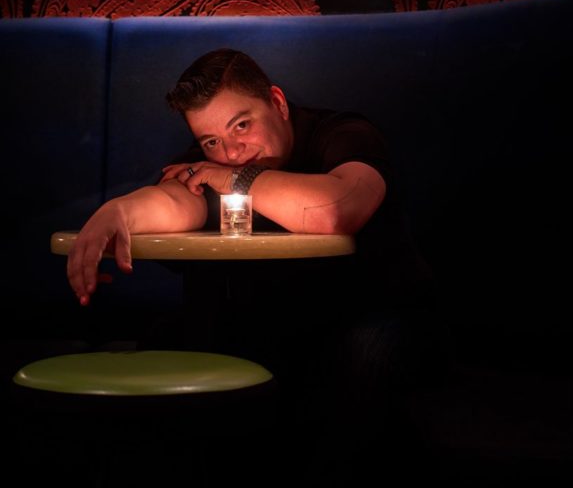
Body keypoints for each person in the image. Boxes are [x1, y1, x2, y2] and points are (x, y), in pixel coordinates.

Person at [67, 48, 442, 485]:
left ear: (277, 103)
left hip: (378, 316)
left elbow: (336, 211)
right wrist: (119, 211)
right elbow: (176, 200)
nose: (231, 152)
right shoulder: (208, 164)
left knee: (362, 353)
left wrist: (232, 178)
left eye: (241, 125)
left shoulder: (343, 134)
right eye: (211, 141)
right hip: (270, 324)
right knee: (172, 341)